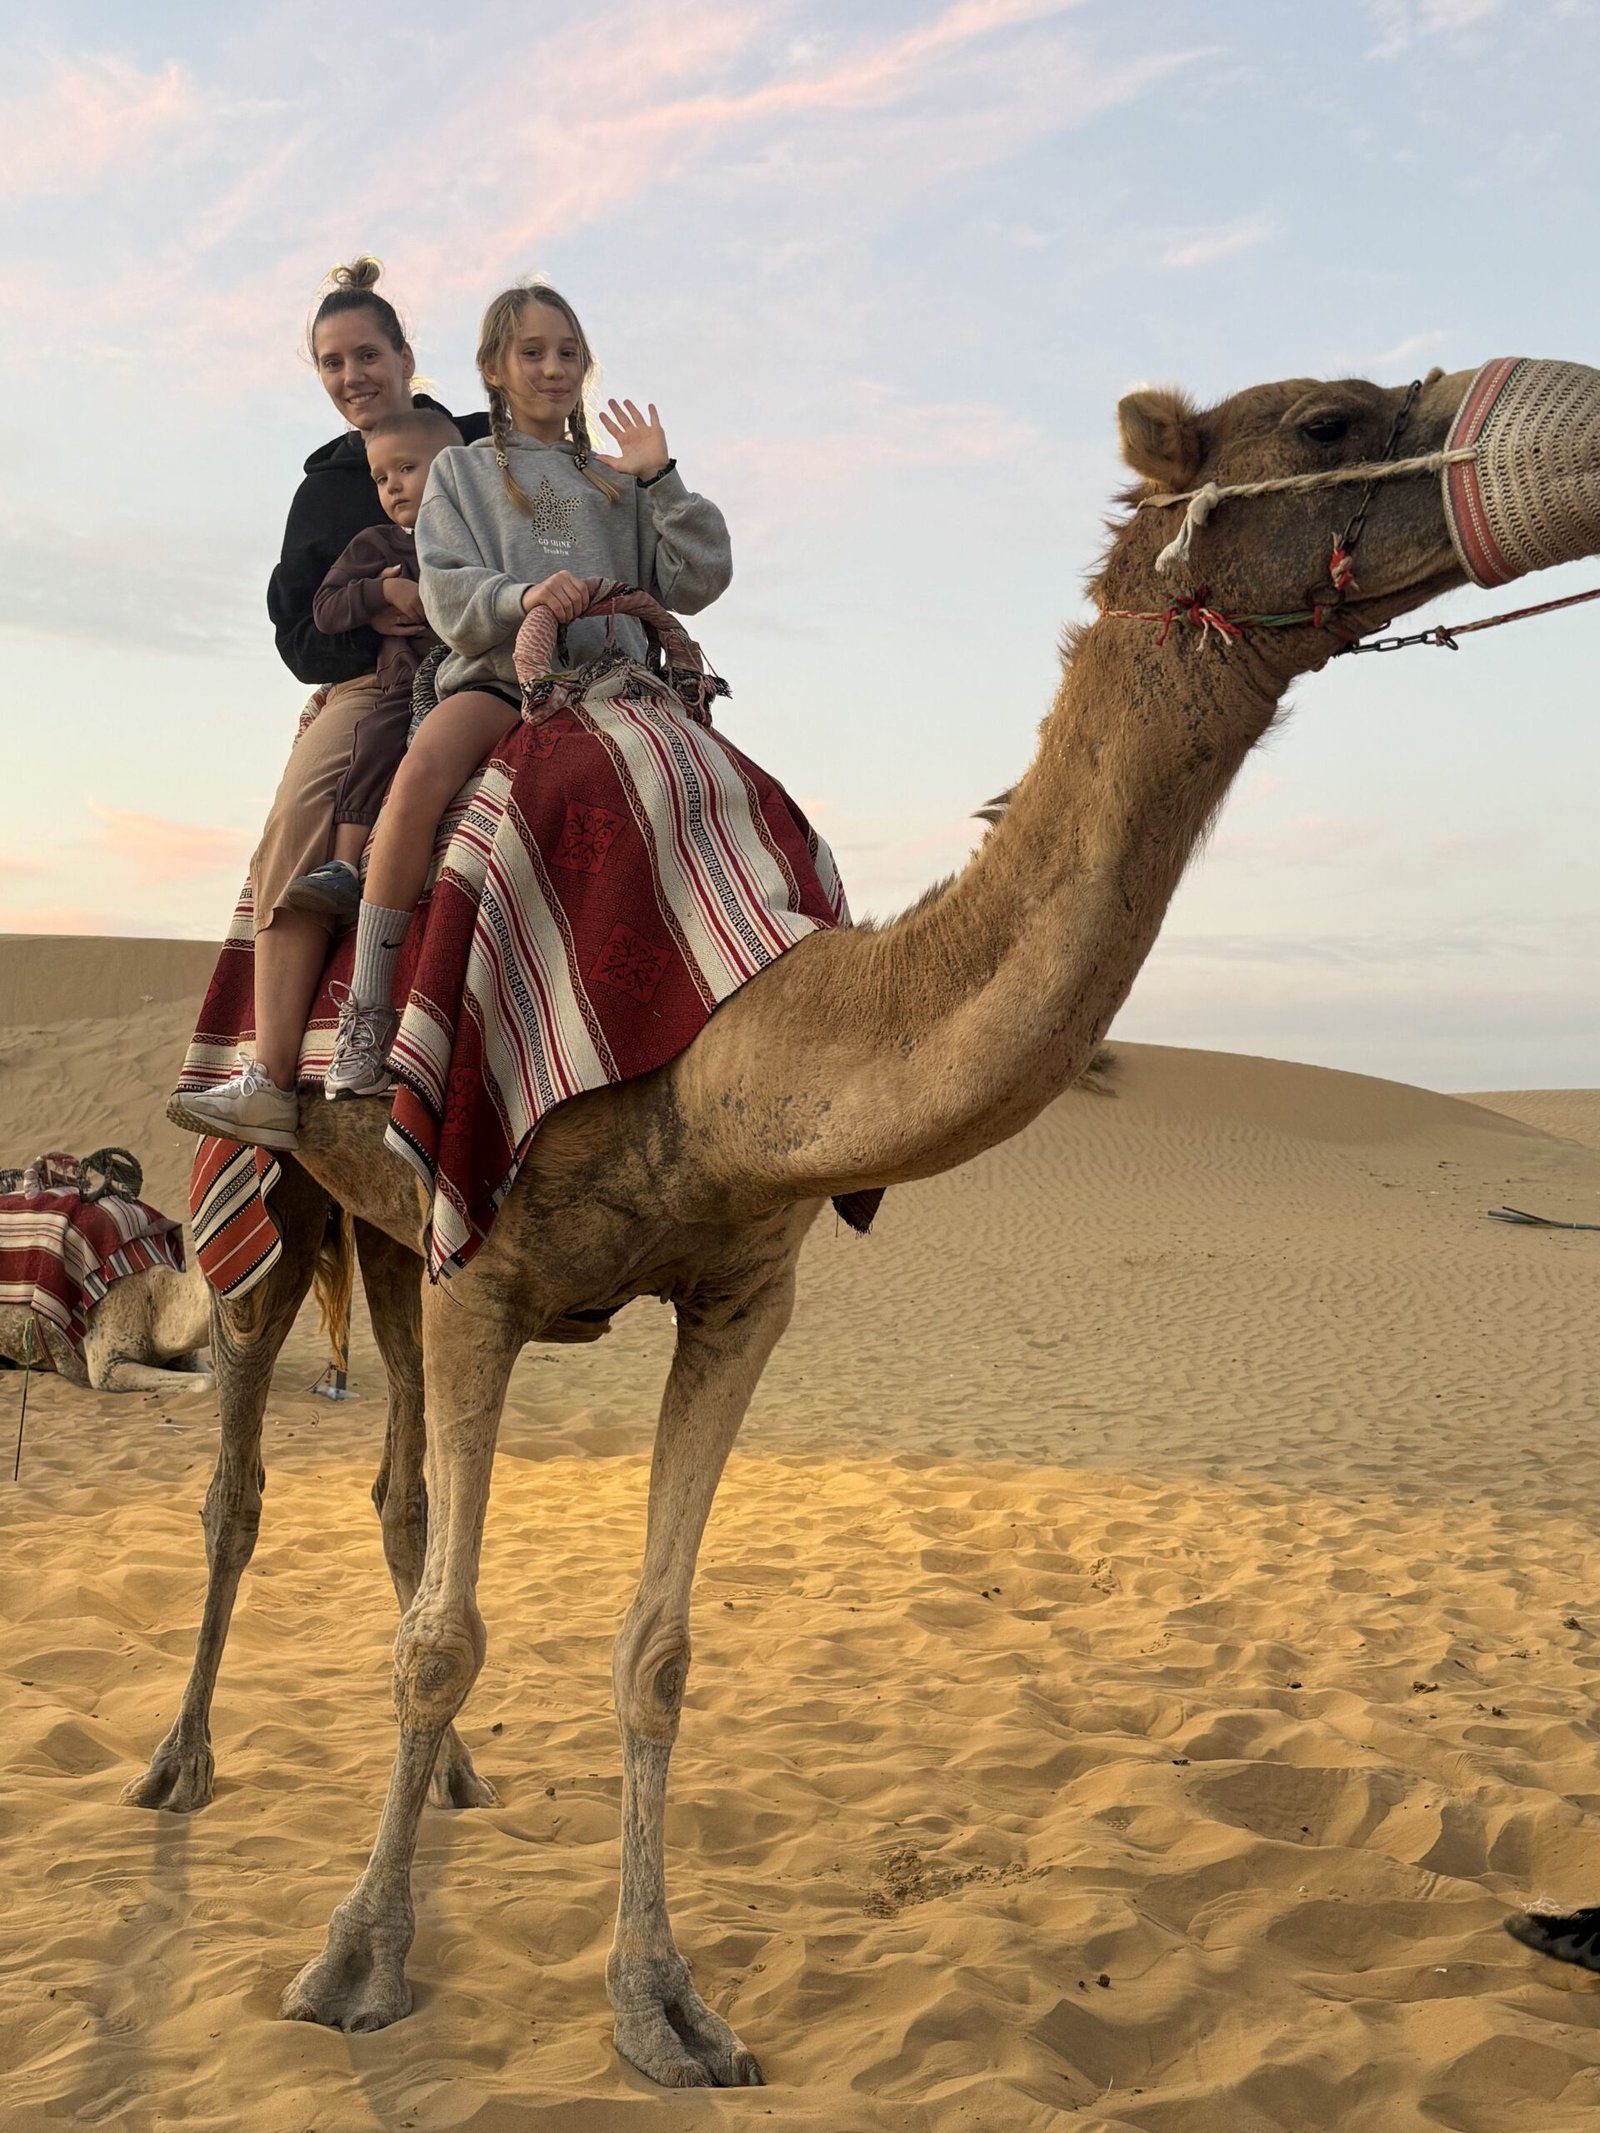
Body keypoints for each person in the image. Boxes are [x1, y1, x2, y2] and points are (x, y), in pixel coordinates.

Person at [320, 279, 732, 1099]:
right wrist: (525, 598)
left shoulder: (621, 483)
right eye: (532, 352)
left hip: (615, 686)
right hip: (502, 679)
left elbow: (700, 579)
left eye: (568, 353)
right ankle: (367, 1012)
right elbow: (447, 589)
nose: (553, 369)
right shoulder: (462, 476)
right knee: (419, 778)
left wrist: (663, 479)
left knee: (722, 786)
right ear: (492, 368)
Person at [169, 258, 486, 1151]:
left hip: (503, 649)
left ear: (404, 355)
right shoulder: (325, 492)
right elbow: (298, 638)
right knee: (305, 807)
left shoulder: (476, 442)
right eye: (332, 364)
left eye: (367, 356)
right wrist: (386, 607)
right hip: (375, 679)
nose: (353, 378)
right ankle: (272, 1072)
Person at [284, 406, 463, 923]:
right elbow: (325, 609)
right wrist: (381, 589)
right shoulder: (376, 545)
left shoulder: (476, 538)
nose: (392, 487)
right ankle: (343, 862)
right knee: (379, 737)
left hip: (476, 680)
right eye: (381, 478)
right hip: (409, 685)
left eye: (406, 469)